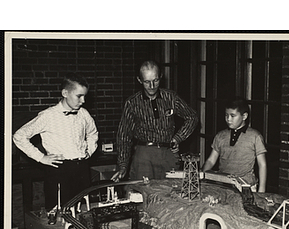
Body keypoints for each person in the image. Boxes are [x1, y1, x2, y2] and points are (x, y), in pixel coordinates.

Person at [13, 72, 99, 210]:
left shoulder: (83, 113)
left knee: (82, 209)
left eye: (84, 96)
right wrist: (41, 157)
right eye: (79, 96)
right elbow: (19, 136)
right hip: (59, 170)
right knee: (59, 210)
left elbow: (92, 133)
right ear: (65, 93)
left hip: (81, 168)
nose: (83, 101)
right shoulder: (48, 116)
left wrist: (89, 150)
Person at [111, 60, 198, 182]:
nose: (152, 86)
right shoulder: (132, 103)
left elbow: (192, 117)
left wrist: (178, 138)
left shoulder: (171, 97)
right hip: (144, 156)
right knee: (142, 194)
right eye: (147, 82)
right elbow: (124, 136)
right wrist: (123, 165)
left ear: (161, 77)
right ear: (139, 80)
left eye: (155, 80)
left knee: (171, 194)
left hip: (168, 154)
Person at [202, 98, 267, 192]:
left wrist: (261, 190)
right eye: (226, 115)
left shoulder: (255, 136)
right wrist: (203, 178)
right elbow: (211, 160)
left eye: (233, 116)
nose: (228, 119)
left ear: (244, 116)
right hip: (223, 184)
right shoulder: (220, 136)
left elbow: (262, 164)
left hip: (246, 186)